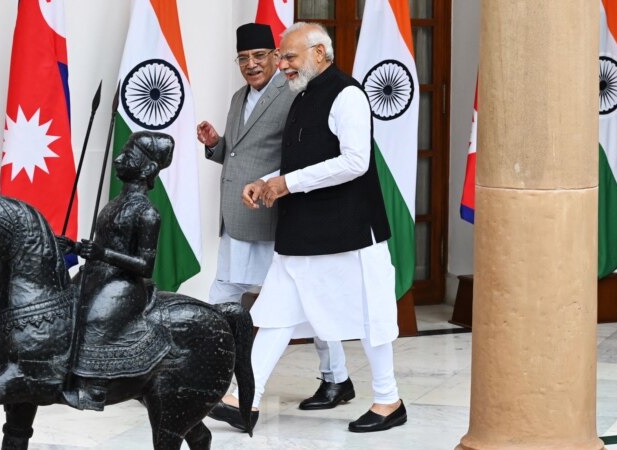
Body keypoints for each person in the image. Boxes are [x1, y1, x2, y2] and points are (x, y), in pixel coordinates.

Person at [210, 22, 406, 433]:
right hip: (303, 232)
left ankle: (389, 400)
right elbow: (305, 163)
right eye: (280, 57)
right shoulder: (302, 95)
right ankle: (242, 398)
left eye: (289, 56)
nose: (281, 64)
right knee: (275, 314)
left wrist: (287, 183)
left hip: (350, 232)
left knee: (373, 317)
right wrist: (269, 181)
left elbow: (356, 162)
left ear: (319, 54)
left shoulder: (347, 94)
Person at [198, 23, 355, 426]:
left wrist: (273, 185)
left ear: (276, 57)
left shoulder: (293, 94)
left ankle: (334, 378)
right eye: (243, 59)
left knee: (301, 299)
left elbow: (304, 153)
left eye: (260, 56)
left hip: (273, 214)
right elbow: (236, 155)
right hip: (236, 214)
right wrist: (216, 144)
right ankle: (209, 376)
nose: (252, 65)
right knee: (229, 291)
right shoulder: (237, 98)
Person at [62, 132, 174, 411]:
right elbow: (103, 243)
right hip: (98, 275)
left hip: (123, 284)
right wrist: (75, 246)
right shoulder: (114, 203)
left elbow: (145, 265)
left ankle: (96, 386)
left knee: (94, 318)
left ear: (148, 169)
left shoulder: (148, 213)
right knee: (62, 308)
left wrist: (103, 254)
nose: (118, 159)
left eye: (129, 156)